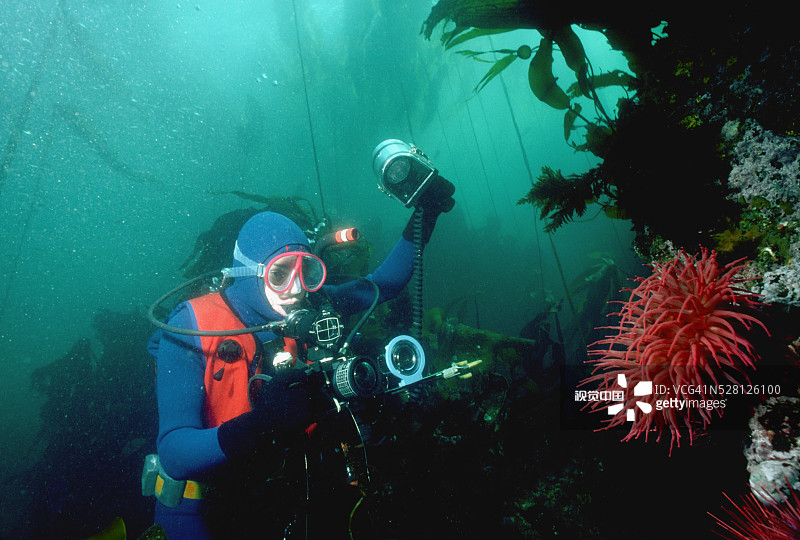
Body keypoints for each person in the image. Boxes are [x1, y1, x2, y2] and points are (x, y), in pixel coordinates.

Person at [147, 177, 455, 539]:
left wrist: (426, 215)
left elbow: (383, 284)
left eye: (306, 270)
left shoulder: (313, 304)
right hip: (204, 514)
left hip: (284, 500)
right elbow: (174, 453)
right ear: (250, 272)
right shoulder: (190, 327)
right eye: (280, 273)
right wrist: (262, 424)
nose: (296, 289)